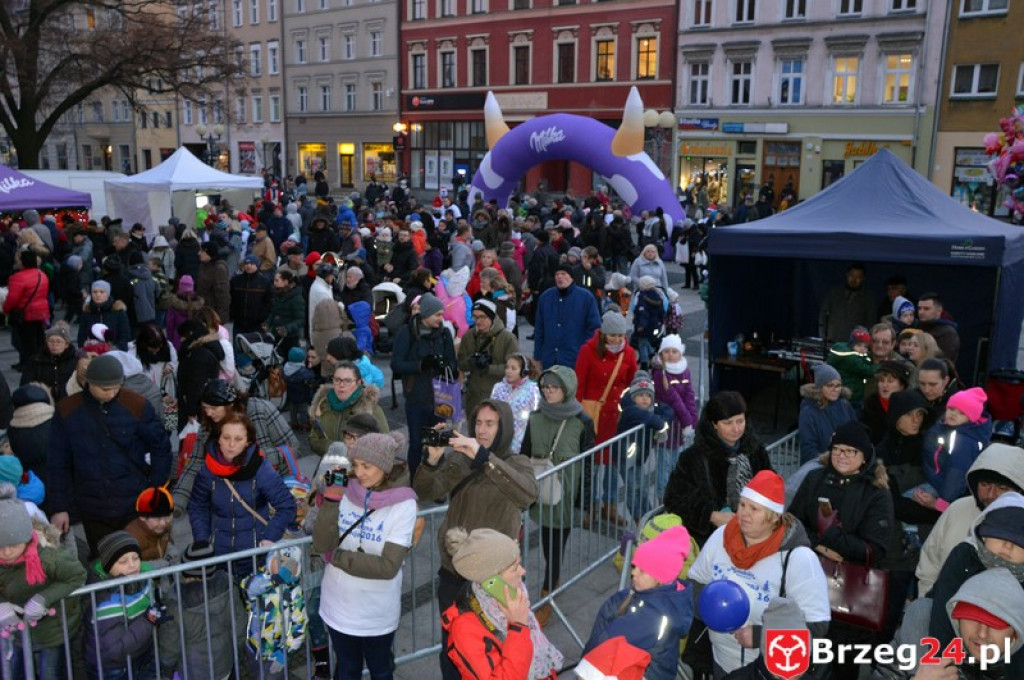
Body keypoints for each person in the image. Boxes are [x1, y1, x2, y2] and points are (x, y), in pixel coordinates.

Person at [413, 400, 539, 680]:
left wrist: (484, 458)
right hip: (454, 570)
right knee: (452, 647)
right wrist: (431, 460)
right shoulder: (460, 459)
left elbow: (528, 494)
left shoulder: (516, 462)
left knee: (491, 647)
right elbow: (425, 490)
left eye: (490, 424)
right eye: (478, 423)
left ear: (503, 427)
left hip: (495, 575)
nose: (482, 430)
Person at [688, 471, 831, 677]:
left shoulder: (798, 559)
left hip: (766, 671)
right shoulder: (722, 536)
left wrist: (760, 636)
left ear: (774, 517)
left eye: (754, 509)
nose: (744, 513)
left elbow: (817, 626)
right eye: (743, 505)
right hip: (720, 660)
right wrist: (711, 611)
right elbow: (696, 581)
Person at [789, 422, 894, 680]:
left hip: (849, 598)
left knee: (843, 666)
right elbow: (793, 523)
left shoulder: (876, 493)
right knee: (799, 656)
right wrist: (818, 544)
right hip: (809, 583)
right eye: (837, 449)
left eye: (850, 451)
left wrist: (832, 535)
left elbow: (875, 550)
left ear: (864, 457)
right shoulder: (815, 478)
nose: (842, 456)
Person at [313, 433, 418, 680]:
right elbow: (321, 543)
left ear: (385, 466)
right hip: (338, 607)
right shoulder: (344, 489)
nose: (359, 473)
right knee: (347, 669)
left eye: (367, 466)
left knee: (381, 670)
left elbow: (387, 567)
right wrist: (331, 499)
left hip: (377, 613)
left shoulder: (404, 504)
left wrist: (336, 557)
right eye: (356, 464)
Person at [48, 354, 172, 553]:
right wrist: (59, 507)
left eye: (116, 387)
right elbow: (57, 463)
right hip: (93, 507)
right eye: (105, 389)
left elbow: (161, 446)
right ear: (89, 383)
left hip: (134, 503)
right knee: (104, 563)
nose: (112, 393)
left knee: (139, 561)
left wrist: (155, 491)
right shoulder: (67, 410)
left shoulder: (136, 404)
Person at [522, 366, 595, 626]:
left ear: (567, 389)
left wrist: (583, 503)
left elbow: (588, 466)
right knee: (546, 541)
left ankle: (546, 593)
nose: (548, 391)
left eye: (554, 387)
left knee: (555, 545)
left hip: (567, 495)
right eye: (545, 387)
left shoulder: (583, 422)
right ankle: (552, 583)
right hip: (542, 492)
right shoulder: (535, 417)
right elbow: (524, 455)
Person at [441, 527, 563, 680]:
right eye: (514, 568)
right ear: (491, 580)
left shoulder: (512, 599)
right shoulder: (465, 629)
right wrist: (518, 627)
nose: (523, 571)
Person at [927, 492, 1024, 670]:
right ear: (983, 534)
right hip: (957, 634)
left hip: (1007, 653)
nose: (1007, 546)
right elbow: (942, 608)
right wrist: (945, 664)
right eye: (1000, 536)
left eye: (1018, 543)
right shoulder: (965, 555)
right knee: (921, 610)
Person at [187, 413, 297, 571]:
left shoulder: (260, 468)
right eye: (226, 437)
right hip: (218, 558)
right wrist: (202, 540)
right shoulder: (207, 470)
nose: (231, 444)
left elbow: (286, 505)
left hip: (255, 555)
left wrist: (269, 537)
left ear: (247, 442)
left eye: (238, 439)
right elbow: (197, 506)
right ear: (218, 438)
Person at [0, 483, 87, 680]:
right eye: (0, 546)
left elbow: (77, 575)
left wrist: (43, 598)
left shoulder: (49, 556)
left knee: (50, 673)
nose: (6, 552)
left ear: (25, 536)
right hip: (16, 631)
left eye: (13, 545)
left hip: (52, 630)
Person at [583, 525, 694, 680]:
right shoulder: (660, 597)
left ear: (659, 579)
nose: (633, 572)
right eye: (634, 566)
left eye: (642, 570)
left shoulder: (653, 616)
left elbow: (606, 641)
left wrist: (585, 660)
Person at [663, 391, 773, 547]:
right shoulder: (693, 458)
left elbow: (770, 485)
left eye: (740, 421)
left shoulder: (755, 450)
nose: (736, 429)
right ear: (714, 424)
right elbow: (674, 500)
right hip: (710, 540)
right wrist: (711, 516)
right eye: (728, 423)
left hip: (753, 534)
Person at [173, 379, 299, 512]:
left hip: (270, 494)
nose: (208, 413)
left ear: (230, 404)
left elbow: (293, 447)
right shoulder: (208, 426)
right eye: (205, 408)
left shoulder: (260, 410)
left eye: (213, 408)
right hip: (233, 500)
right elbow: (196, 463)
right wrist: (177, 501)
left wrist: (253, 457)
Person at [916, 443, 1024, 596]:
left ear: (1019, 490)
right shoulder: (958, 509)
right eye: (985, 484)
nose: (991, 494)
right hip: (941, 605)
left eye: (1002, 488)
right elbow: (930, 560)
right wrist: (928, 598)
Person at [576, 310, 639, 525]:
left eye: (620, 336)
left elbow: (631, 384)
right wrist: (577, 414)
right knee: (592, 465)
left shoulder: (629, 354)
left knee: (612, 464)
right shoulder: (587, 351)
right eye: (612, 335)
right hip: (593, 418)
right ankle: (590, 506)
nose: (616, 339)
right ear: (603, 333)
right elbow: (579, 384)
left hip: (616, 419)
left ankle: (609, 505)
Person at [392, 292, 457, 475]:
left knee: (438, 441)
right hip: (416, 398)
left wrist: (444, 364)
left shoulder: (444, 334)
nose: (441, 319)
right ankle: (415, 481)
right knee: (416, 443)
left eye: (442, 315)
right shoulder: (407, 332)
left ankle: (436, 483)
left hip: (441, 396)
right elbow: (396, 364)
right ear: (426, 314)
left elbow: (453, 362)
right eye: (438, 315)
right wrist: (421, 365)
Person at [155, 542, 235, 680]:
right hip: (224, 666)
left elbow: (170, 647)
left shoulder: (174, 603)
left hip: (192, 672)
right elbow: (239, 629)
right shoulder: (229, 589)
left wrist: (166, 673)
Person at [908, 387, 992, 518]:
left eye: (961, 413)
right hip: (934, 475)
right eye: (951, 409)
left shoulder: (964, 441)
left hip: (943, 487)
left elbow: (957, 473)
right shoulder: (946, 426)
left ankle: (911, 531)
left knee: (907, 498)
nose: (953, 414)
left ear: (971, 418)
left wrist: (941, 503)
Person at [613, 371, 672, 522]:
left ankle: (649, 517)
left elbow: (668, 411)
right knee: (633, 489)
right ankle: (639, 518)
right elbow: (650, 418)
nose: (645, 399)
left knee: (641, 488)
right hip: (625, 457)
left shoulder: (650, 409)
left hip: (639, 456)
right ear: (633, 397)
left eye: (648, 395)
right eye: (640, 395)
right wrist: (660, 425)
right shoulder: (631, 411)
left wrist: (661, 420)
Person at [309, 361, 389, 456]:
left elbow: (385, 446)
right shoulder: (322, 405)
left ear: (358, 383)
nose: (341, 385)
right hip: (330, 466)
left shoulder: (370, 409)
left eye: (347, 381)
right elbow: (314, 440)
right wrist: (334, 448)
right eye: (337, 380)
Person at [652, 334, 698, 496]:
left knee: (675, 464)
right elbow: (674, 399)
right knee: (664, 465)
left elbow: (689, 397)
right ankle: (662, 497)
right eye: (666, 351)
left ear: (680, 353)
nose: (670, 355)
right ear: (661, 354)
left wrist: (693, 421)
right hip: (666, 428)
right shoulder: (660, 374)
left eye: (674, 351)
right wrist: (687, 421)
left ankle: (674, 494)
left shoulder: (684, 371)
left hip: (680, 428)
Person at [533, 264, 602, 369]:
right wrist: (537, 356)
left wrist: (585, 352)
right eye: (557, 274)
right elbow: (539, 329)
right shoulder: (545, 297)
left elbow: (594, 329)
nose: (560, 277)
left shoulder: (586, 297)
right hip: (549, 359)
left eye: (563, 274)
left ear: (571, 277)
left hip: (575, 359)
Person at [458, 299, 519, 415]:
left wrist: (488, 368)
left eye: (482, 317)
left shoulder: (508, 338)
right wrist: (472, 362)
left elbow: (514, 369)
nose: (478, 321)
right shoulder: (468, 336)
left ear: (492, 317)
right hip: (474, 398)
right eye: (475, 317)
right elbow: (461, 363)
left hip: (498, 398)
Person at [798, 364, 859, 463]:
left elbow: (856, 432)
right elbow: (808, 449)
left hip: (846, 462)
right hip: (820, 466)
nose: (835, 389)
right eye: (830, 385)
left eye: (838, 385)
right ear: (820, 387)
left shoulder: (844, 404)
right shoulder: (809, 411)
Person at [3, 251, 49, 368]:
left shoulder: (18, 277)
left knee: (24, 341)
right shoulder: (42, 275)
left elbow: (12, 298)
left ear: (22, 262)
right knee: (38, 339)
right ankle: (37, 362)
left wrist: (5, 309)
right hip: (41, 312)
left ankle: (29, 364)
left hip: (25, 314)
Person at [489, 354, 541, 454]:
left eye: (513, 368)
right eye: (507, 367)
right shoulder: (498, 388)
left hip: (522, 444)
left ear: (523, 371)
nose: (508, 371)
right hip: (499, 441)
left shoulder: (533, 390)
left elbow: (536, 418)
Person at [818, 262, 875, 343]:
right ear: (847, 275)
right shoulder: (834, 293)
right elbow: (823, 315)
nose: (854, 280)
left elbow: (871, 322)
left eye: (858, 277)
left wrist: (863, 342)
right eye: (851, 276)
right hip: (832, 340)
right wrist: (823, 336)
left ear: (863, 279)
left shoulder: (868, 298)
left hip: (854, 343)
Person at [20, 322, 78, 402]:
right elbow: (26, 383)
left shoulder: (75, 360)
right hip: (43, 401)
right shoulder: (36, 359)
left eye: (58, 342)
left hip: (69, 401)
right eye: (51, 341)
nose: (54, 345)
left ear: (66, 344)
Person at [861, 360, 913, 445]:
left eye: (890, 381)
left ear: (902, 385)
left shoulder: (910, 406)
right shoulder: (870, 405)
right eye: (881, 381)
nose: (885, 385)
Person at [826, 326, 877, 407]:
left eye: (865, 347)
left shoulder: (856, 355)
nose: (862, 349)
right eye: (859, 345)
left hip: (852, 394)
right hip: (850, 397)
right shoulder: (850, 358)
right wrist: (881, 366)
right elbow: (866, 370)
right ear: (851, 344)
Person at [123, 486, 176, 562]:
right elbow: (128, 567)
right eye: (158, 518)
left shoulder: (163, 527)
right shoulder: (132, 538)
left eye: (167, 517)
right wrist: (155, 566)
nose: (163, 523)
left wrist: (170, 550)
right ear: (143, 517)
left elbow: (167, 542)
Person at [78, 280, 131, 351]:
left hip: (115, 353)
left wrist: (115, 348)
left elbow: (125, 336)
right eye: (95, 292)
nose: (98, 295)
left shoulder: (118, 311)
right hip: (92, 353)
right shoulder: (87, 313)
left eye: (102, 292)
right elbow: (81, 337)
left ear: (107, 294)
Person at [230, 254, 273, 335]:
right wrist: (233, 313)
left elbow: (269, 301)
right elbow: (231, 297)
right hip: (239, 322)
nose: (248, 266)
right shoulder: (236, 280)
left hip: (256, 324)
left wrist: (262, 317)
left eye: (252, 264)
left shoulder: (264, 282)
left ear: (257, 265)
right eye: (246, 264)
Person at [266, 270, 305, 358]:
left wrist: (286, 329)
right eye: (274, 281)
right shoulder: (278, 295)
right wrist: (267, 323)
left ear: (286, 282)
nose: (274, 283)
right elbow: (273, 312)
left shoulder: (296, 298)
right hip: (276, 336)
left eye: (277, 281)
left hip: (290, 338)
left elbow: (300, 320)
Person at [917, 292, 960, 363]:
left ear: (939, 311)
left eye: (926, 309)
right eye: (919, 308)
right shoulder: (917, 327)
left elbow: (944, 361)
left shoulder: (948, 333)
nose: (921, 312)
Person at [283, 346, 318, 431]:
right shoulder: (303, 372)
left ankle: (294, 423)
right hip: (302, 396)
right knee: (303, 411)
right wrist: (310, 368)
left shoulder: (286, 367)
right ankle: (304, 424)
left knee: (293, 410)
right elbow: (311, 376)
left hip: (291, 395)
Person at [195, 242, 230, 322]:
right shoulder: (203, 266)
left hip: (213, 314)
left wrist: (219, 318)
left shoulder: (219, 268)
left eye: (202, 251)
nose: (199, 253)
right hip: (203, 312)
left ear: (209, 253)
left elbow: (223, 295)